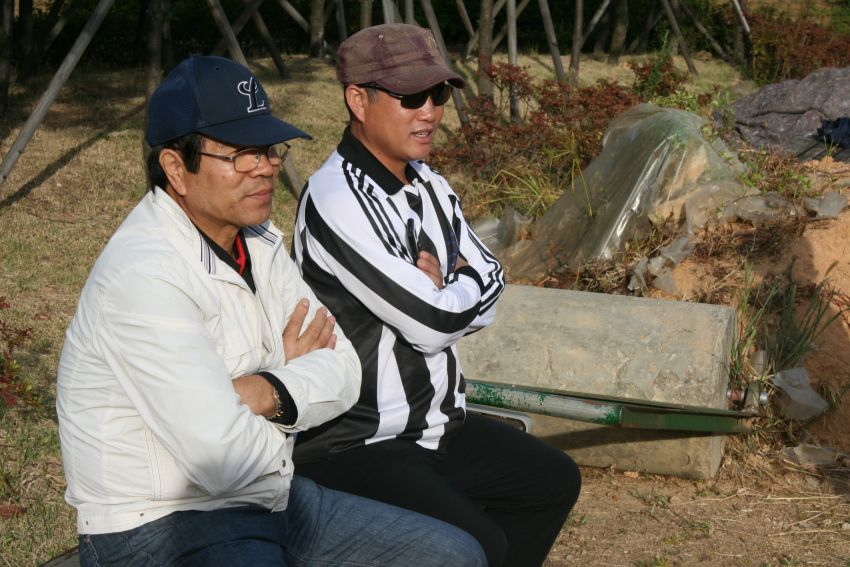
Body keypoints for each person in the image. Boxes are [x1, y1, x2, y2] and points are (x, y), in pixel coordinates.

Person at [56, 55, 486, 567]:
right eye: (240, 155)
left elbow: (346, 371)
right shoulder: (144, 276)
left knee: (454, 554)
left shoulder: (258, 240)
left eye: (268, 149)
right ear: (175, 168)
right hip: (159, 524)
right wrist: (288, 380)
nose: (264, 167)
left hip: (273, 497)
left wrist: (263, 390)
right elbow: (222, 459)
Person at [291, 24, 582, 567]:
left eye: (438, 93)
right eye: (410, 97)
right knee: (478, 543)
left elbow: (492, 279)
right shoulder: (336, 198)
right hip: (358, 438)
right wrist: (456, 286)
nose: (429, 111)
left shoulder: (429, 184)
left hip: (435, 424)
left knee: (552, 480)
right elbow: (432, 324)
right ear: (358, 100)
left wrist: (453, 285)